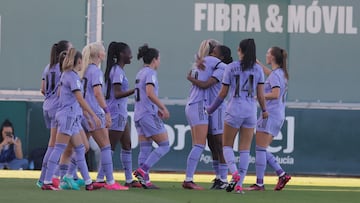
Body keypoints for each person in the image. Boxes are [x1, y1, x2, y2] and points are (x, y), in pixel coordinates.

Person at [206, 38, 268, 194]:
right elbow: (261, 95)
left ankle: (233, 173)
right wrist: (265, 110)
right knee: (245, 149)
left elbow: (223, 93)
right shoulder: (258, 69)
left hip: (234, 109)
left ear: (239, 50)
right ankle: (239, 184)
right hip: (250, 111)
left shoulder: (231, 68)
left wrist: (211, 109)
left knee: (227, 145)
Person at [41, 48, 101, 191]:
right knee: (59, 148)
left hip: (71, 117)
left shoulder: (66, 75)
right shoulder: (72, 77)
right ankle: (47, 181)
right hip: (68, 117)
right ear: (79, 61)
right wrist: (93, 115)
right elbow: (79, 99)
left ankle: (88, 182)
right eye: (81, 62)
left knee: (80, 149)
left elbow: (65, 96)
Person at [79, 42, 128, 191]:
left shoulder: (83, 70)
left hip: (82, 113)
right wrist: (106, 111)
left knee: (81, 147)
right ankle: (110, 181)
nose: (105, 53)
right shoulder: (95, 72)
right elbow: (97, 93)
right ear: (99, 55)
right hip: (93, 112)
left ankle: (66, 176)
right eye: (103, 51)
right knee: (106, 147)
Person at [186, 45, 232, 189]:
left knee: (218, 143)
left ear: (221, 56)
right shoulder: (210, 64)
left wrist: (190, 77)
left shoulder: (221, 67)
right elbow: (199, 59)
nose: (213, 51)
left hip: (217, 108)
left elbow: (206, 83)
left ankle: (222, 178)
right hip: (206, 106)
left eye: (215, 50)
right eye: (212, 49)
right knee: (211, 144)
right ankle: (218, 177)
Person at [246, 47, 291, 191]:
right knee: (262, 149)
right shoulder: (281, 73)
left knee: (260, 149)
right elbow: (272, 76)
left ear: (272, 57)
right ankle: (281, 174)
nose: (266, 55)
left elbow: (275, 93)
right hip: (278, 114)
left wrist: (258, 96)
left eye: (267, 53)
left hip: (270, 114)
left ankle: (260, 183)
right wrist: (259, 65)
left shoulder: (275, 76)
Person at [100, 41, 141, 188]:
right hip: (116, 112)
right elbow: (117, 94)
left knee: (127, 144)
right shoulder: (116, 71)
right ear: (121, 55)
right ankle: (100, 178)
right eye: (129, 52)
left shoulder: (119, 71)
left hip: (121, 112)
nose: (131, 56)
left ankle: (129, 179)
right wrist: (136, 90)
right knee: (109, 146)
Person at [182, 39, 221, 190]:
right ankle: (188, 179)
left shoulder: (198, 63)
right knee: (200, 144)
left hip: (192, 103)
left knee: (197, 144)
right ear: (213, 51)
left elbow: (191, 74)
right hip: (199, 105)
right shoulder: (212, 63)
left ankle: (190, 178)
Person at [133, 44, 170, 189]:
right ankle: (143, 171)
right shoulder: (150, 73)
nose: (159, 62)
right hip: (147, 114)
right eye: (159, 59)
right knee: (165, 145)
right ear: (154, 59)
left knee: (145, 148)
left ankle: (144, 181)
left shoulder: (140, 73)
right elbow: (149, 92)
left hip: (138, 114)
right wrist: (162, 107)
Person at [38, 40, 72, 187]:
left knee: (54, 144)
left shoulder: (48, 67)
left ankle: (50, 176)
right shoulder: (63, 69)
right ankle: (50, 177)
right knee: (56, 145)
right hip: (59, 108)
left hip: (47, 106)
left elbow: (42, 89)